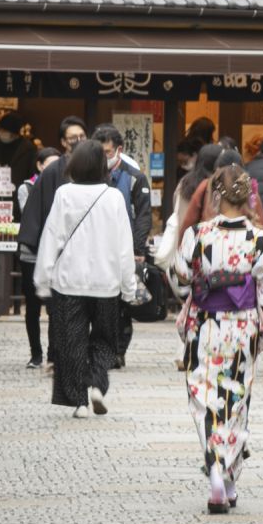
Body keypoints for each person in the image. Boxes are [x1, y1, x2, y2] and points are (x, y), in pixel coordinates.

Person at [172, 165, 263, 513]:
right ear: (249, 195)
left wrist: (193, 293)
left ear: (217, 195)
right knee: (236, 397)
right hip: (243, 328)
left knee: (206, 397)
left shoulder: (199, 234)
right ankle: (229, 476)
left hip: (206, 325)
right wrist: (254, 302)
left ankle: (217, 476)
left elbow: (179, 278)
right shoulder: (260, 238)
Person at [35, 139, 143, 418]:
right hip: (106, 282)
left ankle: (79, 402)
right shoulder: (114, 197)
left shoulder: (64, 194)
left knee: (70, 343)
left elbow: (52, 237)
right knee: (106, 339)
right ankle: (96, 383)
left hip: (68, 280)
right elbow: (123, 247)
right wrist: (129, 286)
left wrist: (43, 277)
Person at [94, 124, 154, 368]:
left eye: (108, 153)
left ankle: (118, 351)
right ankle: (102, 348)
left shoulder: (134, 177)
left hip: (125, 250)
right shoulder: (90, 175)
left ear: (119, 150)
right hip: (97, 248)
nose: (104, 158)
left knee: (122, 305)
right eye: (100, 153)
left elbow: (144, 215)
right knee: (100, 303)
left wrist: (137, 250)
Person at [16, 116, 90, 272]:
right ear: (63, 142)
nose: (78, 140)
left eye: (82, 136)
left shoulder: (96, 169)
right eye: (72, 138)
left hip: (88, 248)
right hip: (58, 249)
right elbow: (40, 210)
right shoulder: (52, 171)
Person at [14, 145, 61, 368]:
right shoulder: (27, 188)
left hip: (56, 254)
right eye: (49, 165)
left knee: (54, 306)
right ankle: (36, 353)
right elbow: (29, 214)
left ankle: (53, 353)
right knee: (32, 306)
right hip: (31, 254)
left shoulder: (64, 189)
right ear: (40, 166)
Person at [158, 142, 224, 274]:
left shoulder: (185, 182)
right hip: (210, 248)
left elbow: (176, 206)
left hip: (184, 245)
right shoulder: (216, 186)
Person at [0, 111, 39, 191]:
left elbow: (34, 175)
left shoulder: (29, 149)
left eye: (4, 131)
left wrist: (28, 188)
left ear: (13, 133)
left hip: (20, 191)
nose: (0, 133)